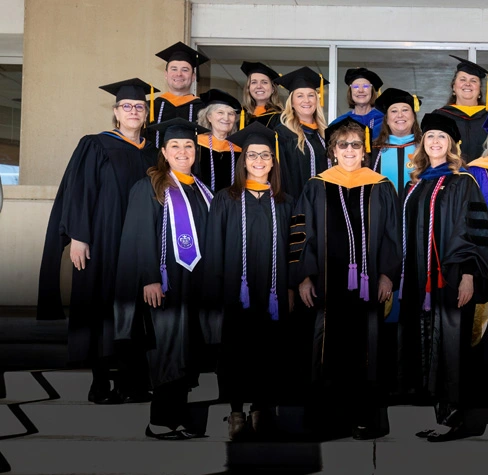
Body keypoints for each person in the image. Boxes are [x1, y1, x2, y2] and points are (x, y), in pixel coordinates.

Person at [37, 78, 157, 404]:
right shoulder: (96, 144)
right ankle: (100, 382)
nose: (133, 110)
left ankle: (131, 383)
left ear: (146, 113)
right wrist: (78, 236)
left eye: (139, 106)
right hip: (103, 241)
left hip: (137, 246)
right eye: (126, 106)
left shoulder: (154, 153)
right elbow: (79, 192)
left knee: (135, 312)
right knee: (100, 307)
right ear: (116, 113)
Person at [291, 117, 401, 440]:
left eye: (356, 144)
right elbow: (301, 234)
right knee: (325, 350)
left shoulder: (381, 185)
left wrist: (387, 275)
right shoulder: (316, 185)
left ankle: (365, 419)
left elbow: (394, 236)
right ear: (333, 151)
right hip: (327, 286)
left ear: (364, 151)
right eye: (343, 144)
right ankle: (328, 420)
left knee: (367, 350)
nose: (350, 150)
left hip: (369, 286)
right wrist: (304, 277)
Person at [397, 113, 488, 442]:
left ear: (452, 144)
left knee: (455, 346)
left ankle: (463, 418)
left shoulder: (463, 181)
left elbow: (475, 232)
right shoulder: (414, 184)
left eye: (442, 138)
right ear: (423, 144)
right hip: (418, 282)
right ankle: (442, 414)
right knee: (429, 346)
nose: (436, 142)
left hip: (452, 278)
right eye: (430, 138)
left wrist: (469, 274)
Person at [114, 119, 214, 440]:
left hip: (196, 285)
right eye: (176, 147)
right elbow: (139, 235)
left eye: (188, 146)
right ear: (164, 152)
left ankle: (178, 418)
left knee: (187, 353)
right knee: (168, 350)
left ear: (195, 151)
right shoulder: (152, 187)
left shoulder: (201, 190)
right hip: (166, 284)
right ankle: (159, 422)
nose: (183, 152)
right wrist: (149, 279)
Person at [201, 122, 295, 441]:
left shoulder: (285, 202)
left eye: (265, 155)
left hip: (273, 291)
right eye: (252, 155)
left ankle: (261, 408)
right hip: (235, 292)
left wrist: (293, 287)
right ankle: (237, 411)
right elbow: (213, 247)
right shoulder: (225, 199)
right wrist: (215, 290)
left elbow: (296, 250)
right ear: (243, 162)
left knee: (269, 351)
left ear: (273, 161)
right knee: (235, 351)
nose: (258, 160)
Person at [273, 67, 330, 199]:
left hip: (326, 207)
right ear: (291, 102)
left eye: (311, 95)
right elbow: (281, 177)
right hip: (297, 206)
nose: (306, 100)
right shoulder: (282, 134)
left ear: (317, 100)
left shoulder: (326, 135)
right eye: (300, 96)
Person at [433, 55, 488, 163]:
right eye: (462, 79)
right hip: (451, 175)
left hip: (485, 176)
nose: (468, 84)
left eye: (473, 81)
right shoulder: (439, 116)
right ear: (453, 86)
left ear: (480, 89)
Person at [371, 87, 420, 196]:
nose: (400, 115)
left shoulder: (425, 149)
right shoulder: (374, 152)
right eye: (394, 111)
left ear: (413, 116)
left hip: (416, 210)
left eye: (405, 110)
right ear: (387, 120)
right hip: (384, 211)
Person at [150, 42, 209, 129]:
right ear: (166, 74)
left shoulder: (204, 109)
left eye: (185, 70)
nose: (179, 74)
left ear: (193, 76)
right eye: (174, 69)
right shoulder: (150, 108)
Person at [195, 89, 242, 193]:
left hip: (231, 204)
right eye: (220, 112)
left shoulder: (239, 147)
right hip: (202, 203)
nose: (226, 118)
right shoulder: (196, 144)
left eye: (231, 114)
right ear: (209, 117)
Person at [331, 68, 385, 140]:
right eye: (355, 86)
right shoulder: (339, 123)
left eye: (365, 86)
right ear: (350, 92)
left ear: (372, 91)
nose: (360, 90)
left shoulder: (384, 121)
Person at [241, 61, 282, 130]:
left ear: (273, 89)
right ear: (248, 88)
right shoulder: (242, 116)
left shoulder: (281, 118)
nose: (259, 86)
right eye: (254, 82)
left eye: (264, 82)